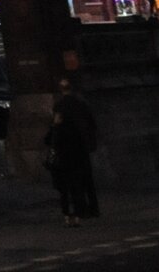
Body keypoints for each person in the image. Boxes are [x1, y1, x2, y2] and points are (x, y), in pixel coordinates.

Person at [50, 77, 100, 218]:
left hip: (68, 147)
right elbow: (91, 123)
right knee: (87, 178)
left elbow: (57, 127)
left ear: (61, 90)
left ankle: (81, 208)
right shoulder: (81, 104)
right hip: (82, 145)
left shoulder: (60, 106)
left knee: (74, 180)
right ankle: (94, 207)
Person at [47, 102, 96, 226]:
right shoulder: (72, 129)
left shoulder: (57, 130)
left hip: (62, 165)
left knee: (65, 193)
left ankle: (68, 216)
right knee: (73, 192)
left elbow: (48, 141)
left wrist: (54, 127)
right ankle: (75, 216)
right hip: (71, 164)